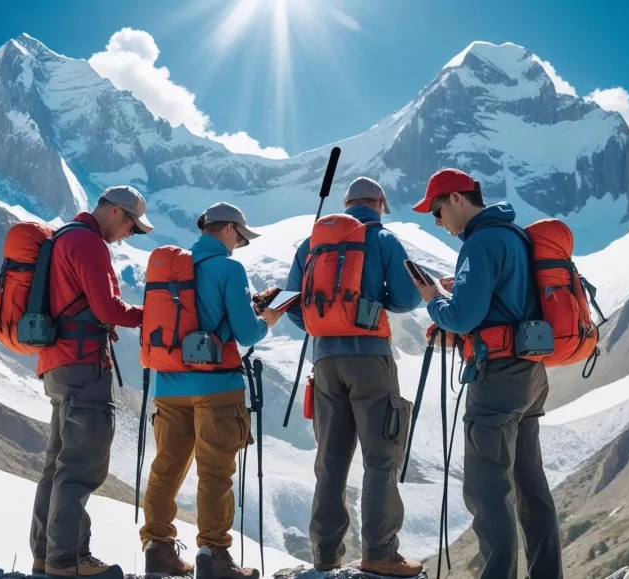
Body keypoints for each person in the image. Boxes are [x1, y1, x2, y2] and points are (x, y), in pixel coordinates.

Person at [410, 168, 563, 579]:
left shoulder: (479, 243)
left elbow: (461, 317)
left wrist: (432, 300)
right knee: (531, 485)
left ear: (458, 199)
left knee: (487, 489)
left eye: (438, 211)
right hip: (530, 373)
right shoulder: (514, 236)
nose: (438, 222)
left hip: (496, 379)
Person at [285, 176, 425, 577]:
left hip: (325, 362)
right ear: (379, 203)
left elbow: (294, 304)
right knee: (380, 458)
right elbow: (407, 298)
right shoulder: (383, 239)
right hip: (371, 360)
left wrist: (325, 326)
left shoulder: (312, 242)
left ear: (346, 204)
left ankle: (325, 556)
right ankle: (380, 552)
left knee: (329, 462)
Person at [139, 202, 282, 579]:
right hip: (217, 386)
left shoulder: (174, 269)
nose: (240, 245)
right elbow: (248, 333)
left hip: (168, 386)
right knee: (215, 473)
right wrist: (267, 318)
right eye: (241, 238)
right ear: (231, 230)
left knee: (166, 467)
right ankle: (213, 555)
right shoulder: (229, 268)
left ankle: (158, 549)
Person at [29, 185, 154, 578]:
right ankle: (69, 560)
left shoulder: (63, 236)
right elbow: (107, 308)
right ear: (116, 212)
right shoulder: (89, 243)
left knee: (57, 462)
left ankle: (45, 554)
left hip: (57, 363)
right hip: (83, 363)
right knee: (81, 463)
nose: (129, 235)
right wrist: (153, 315)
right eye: (132, 226)